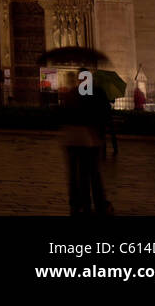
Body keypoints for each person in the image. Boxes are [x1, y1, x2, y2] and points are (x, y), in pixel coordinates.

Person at [58, 71, 113, 216]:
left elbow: (62, 115)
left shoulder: (72, 93)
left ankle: (78, 204)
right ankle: (98, 204)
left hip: (71, 138)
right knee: (92, 173)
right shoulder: (96, 93)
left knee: (75, 174)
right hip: (89, 138)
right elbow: (105, 114)